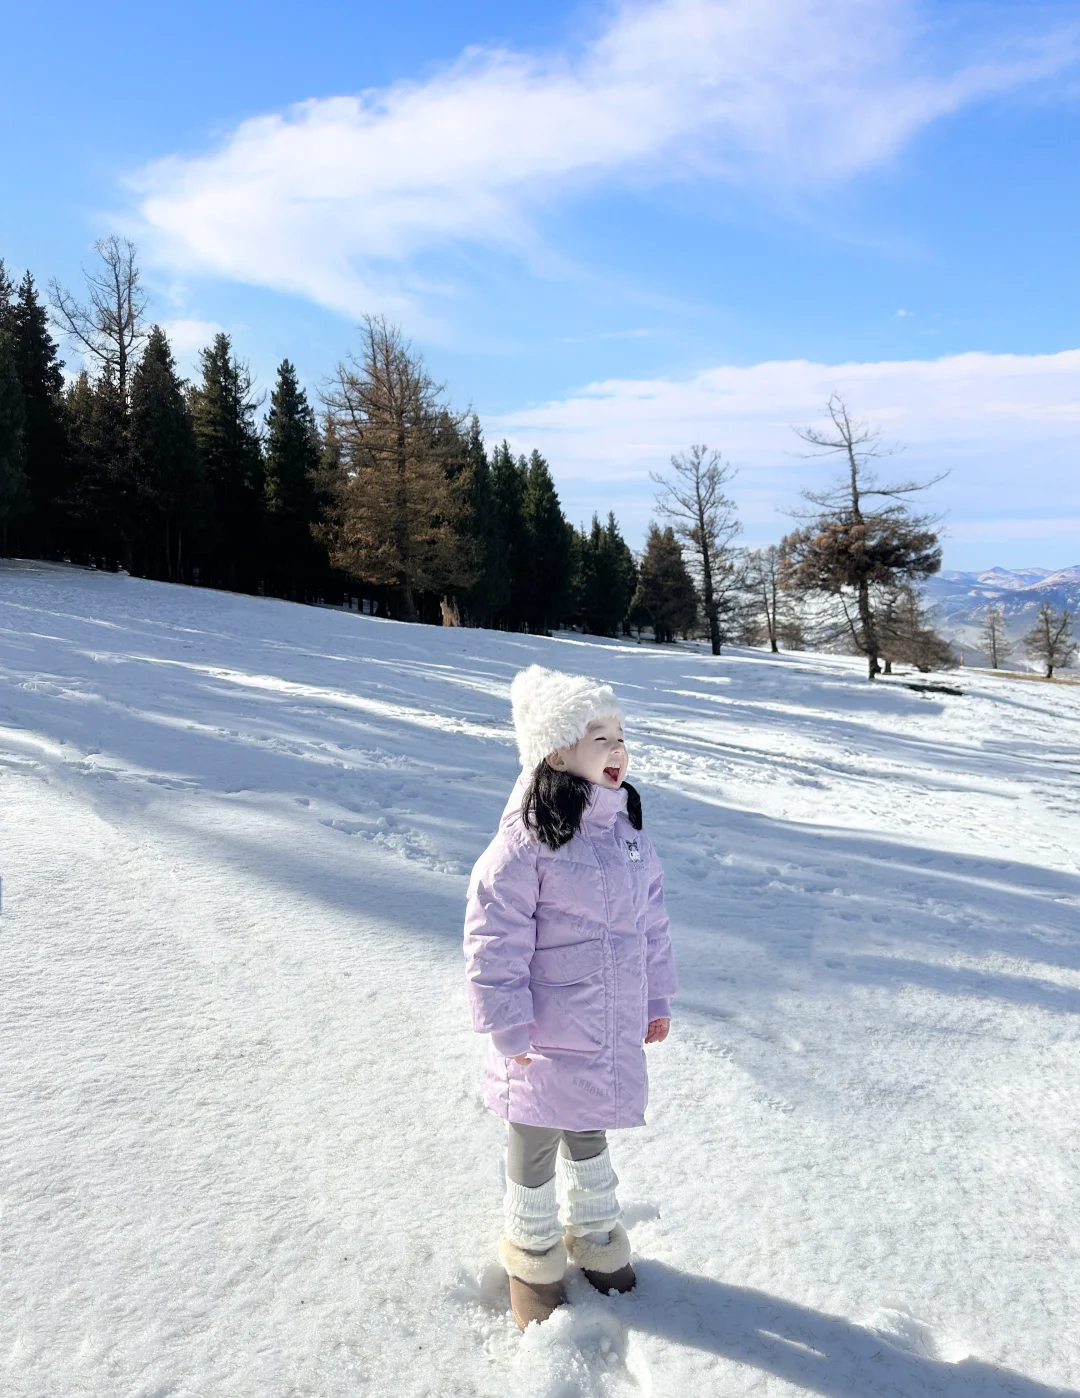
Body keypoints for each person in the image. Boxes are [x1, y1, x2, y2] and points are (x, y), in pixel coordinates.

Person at [463, 664, 677, 1330]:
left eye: (620, 736)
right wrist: (506, 1024)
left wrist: (655, 999)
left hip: (603, 1024)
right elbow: (492, 935)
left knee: (588, 1130)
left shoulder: (626, 837)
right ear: (557, 753)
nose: (617, 751)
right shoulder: (526, 842)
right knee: (533, 1139)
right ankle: (532, 1257)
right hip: (540, 1035)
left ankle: (596, 1236)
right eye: (598, 738)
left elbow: (653, 927)